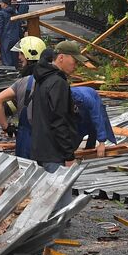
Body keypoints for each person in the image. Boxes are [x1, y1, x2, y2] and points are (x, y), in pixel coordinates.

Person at [30, 41, 82, 204]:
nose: (76, 66)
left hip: (42, 148)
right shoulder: (58, 83)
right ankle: (56, 230)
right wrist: (68, 154)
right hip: (55, 152)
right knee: (60, 204)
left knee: (46, 201)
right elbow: (59, 120)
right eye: (74, 61)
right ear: (61, 57)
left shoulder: (42, 79)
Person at [0, 36, 48, 159]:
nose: (19, 57)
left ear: (29, 55)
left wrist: (6, 127)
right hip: (48, 139)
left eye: (21, 53)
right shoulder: (55, 80)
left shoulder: (22, 82)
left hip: (26, 139)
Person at [70, 84, 116, 157]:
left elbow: (97, 118)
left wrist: (101, 142)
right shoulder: (61, 97)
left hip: (91, 95)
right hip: (78, 105)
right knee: (78, 127)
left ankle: (90, 147)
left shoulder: (86, 99)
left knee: (93, 125)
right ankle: (72, 149)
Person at [0, 0, 20, 67]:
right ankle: (15, 71)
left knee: (6, 57)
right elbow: (19, 25)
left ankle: (9, 73)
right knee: (14, 57)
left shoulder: (1, 13)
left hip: (5, 38)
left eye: (1, 3)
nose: (1, 4)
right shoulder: (15, 13)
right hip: (15, 37)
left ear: (5, 4)